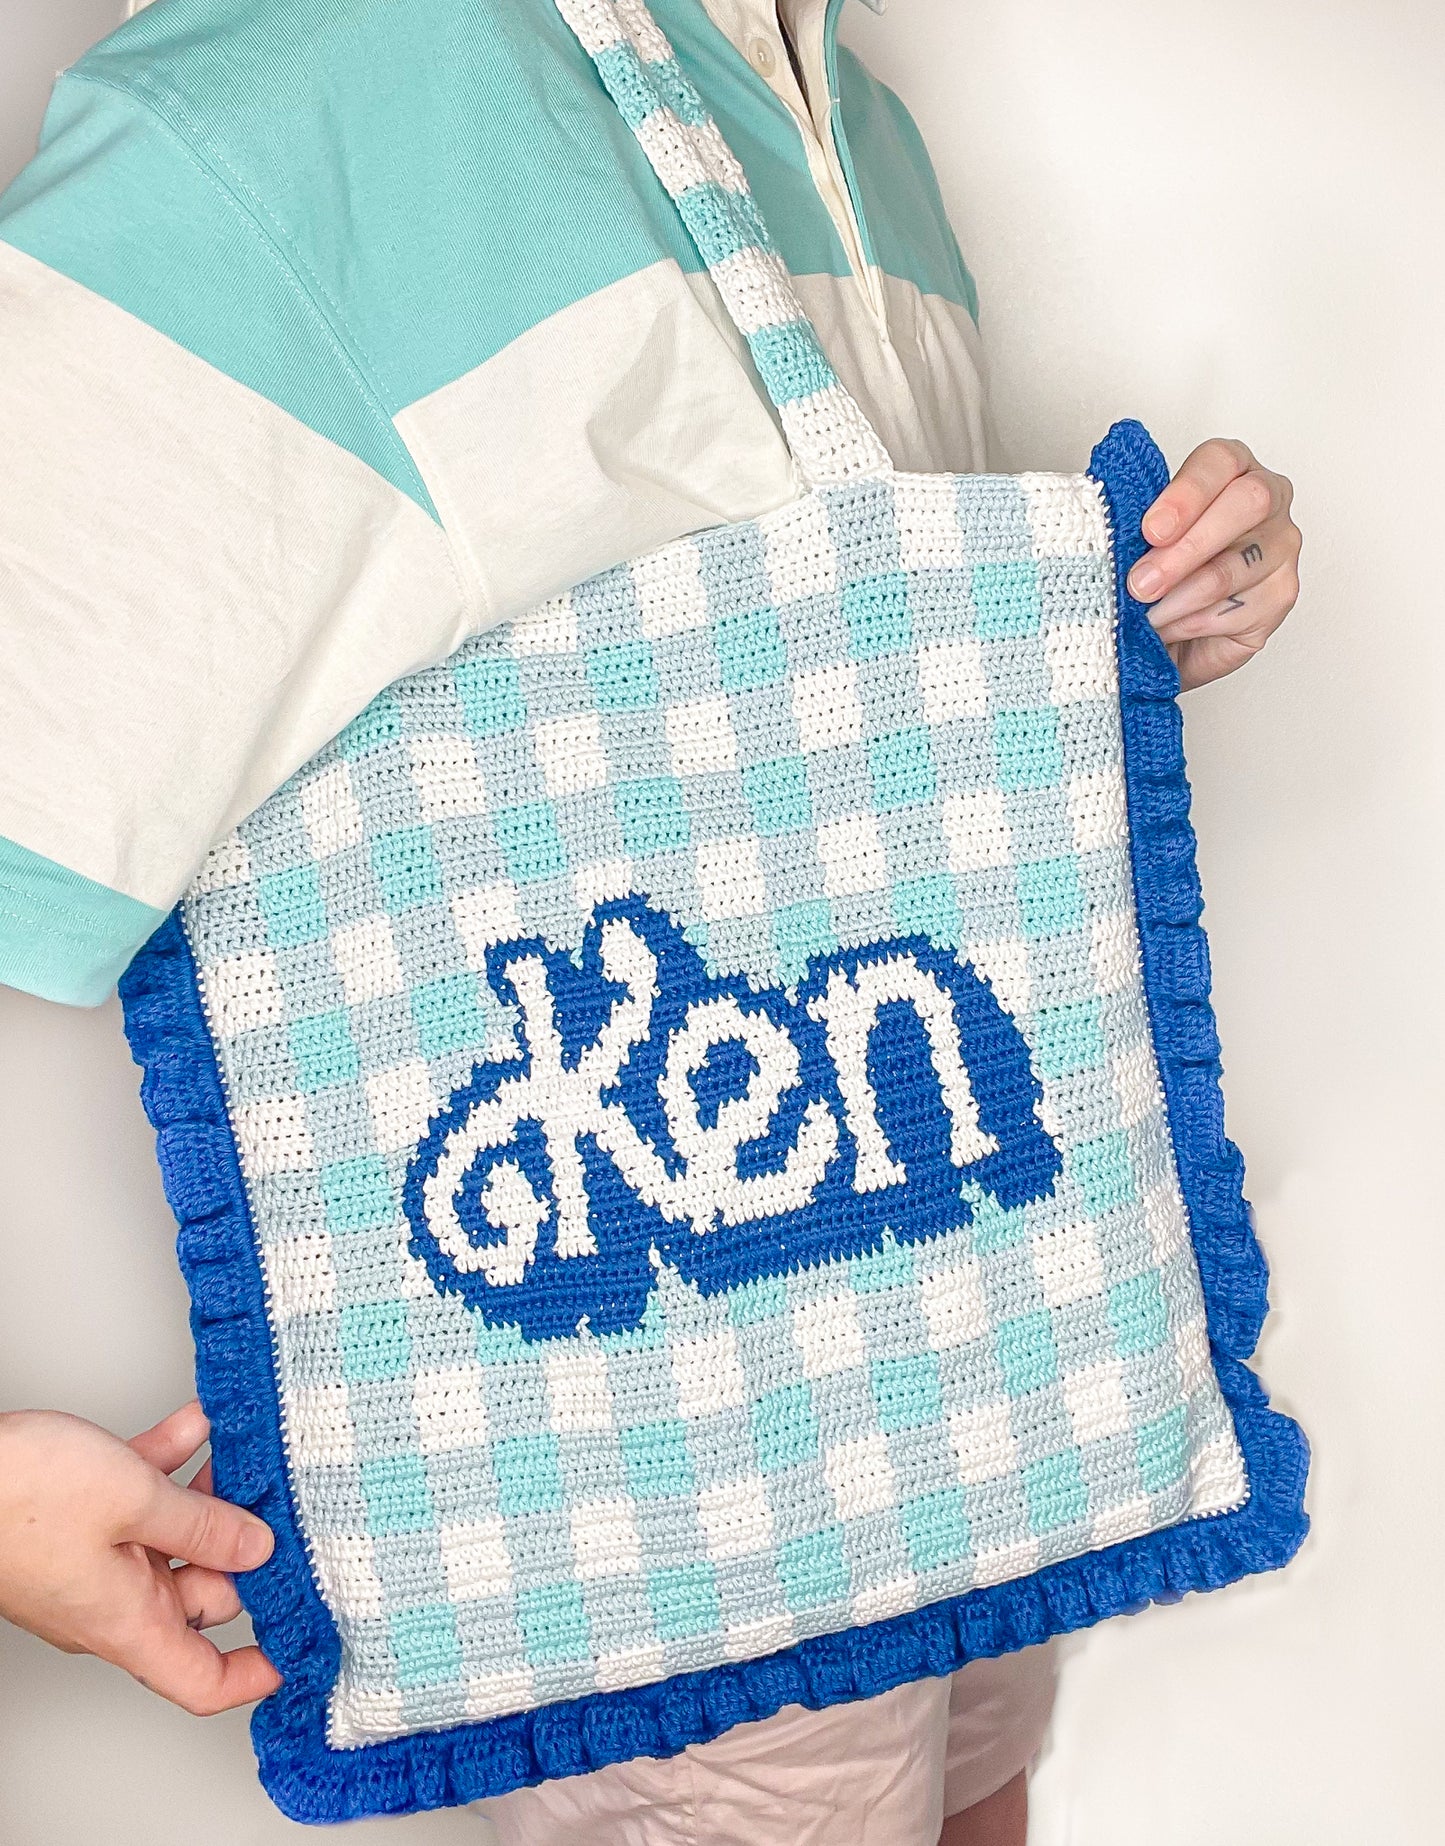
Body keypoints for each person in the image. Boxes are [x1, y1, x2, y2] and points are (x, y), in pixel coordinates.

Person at [0, 1, 1302, 1841]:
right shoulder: (300, 104)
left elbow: (818, 717)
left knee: (974, 1787)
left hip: (974, 1372)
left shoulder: (840, 102)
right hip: (692, 1474)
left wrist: (1128, 625)